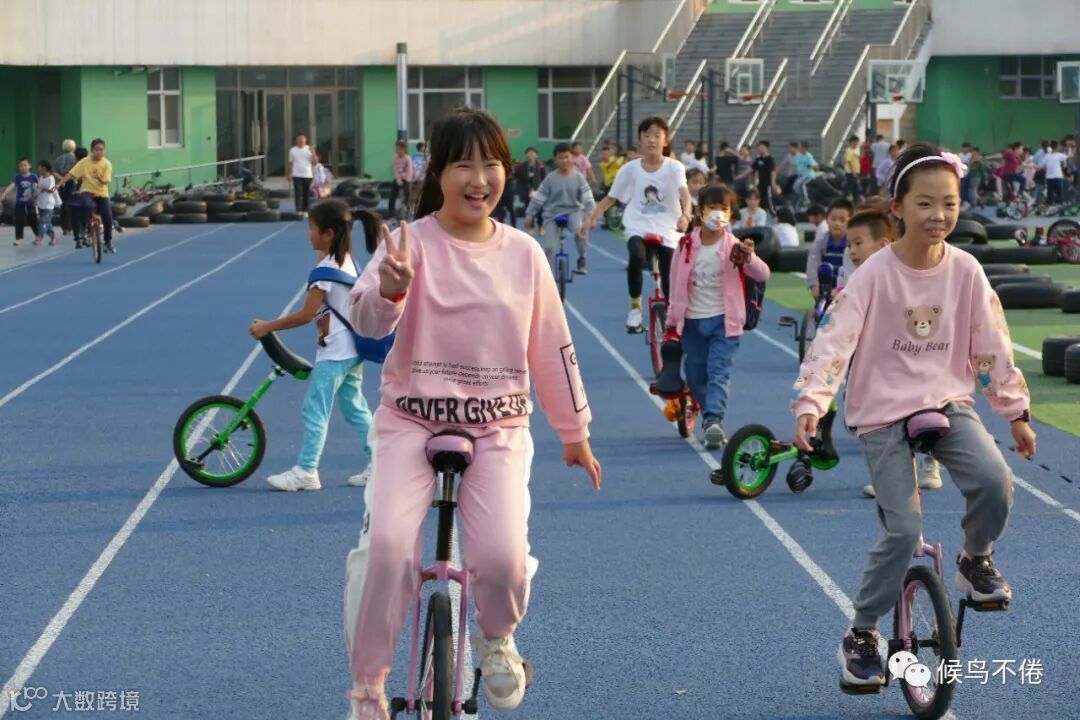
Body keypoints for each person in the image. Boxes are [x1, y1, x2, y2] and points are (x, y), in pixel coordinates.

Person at [343, 107, 601, 720]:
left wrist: (574, 432)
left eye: (492, 165)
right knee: (387, 550)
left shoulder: (525, 254)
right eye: (463, 165)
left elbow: (553, 347)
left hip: (497, 427)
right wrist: (391, 290)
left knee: (504, 558)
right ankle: (368, 687)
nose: (479, 179)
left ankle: (497, 638)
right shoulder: (408, 244)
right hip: (411, 422)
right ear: (437, 172)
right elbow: (364, 322)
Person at [792, 143, 1034, 689]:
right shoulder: (873, 274)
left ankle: (975, 559)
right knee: (902, 531)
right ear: (897, 208)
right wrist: (812, 402)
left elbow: (991, 344)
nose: (939, 215)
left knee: (995, 481)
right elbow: (834, 341)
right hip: (881, 412)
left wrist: (1015, 411)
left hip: (946, 401)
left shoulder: (966, 270)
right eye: (925, 204)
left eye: (949, 203)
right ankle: (862, 632)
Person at [249, 201, 378, 491]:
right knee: (355, 408)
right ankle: (379, 462)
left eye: (312, 227)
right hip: (352, 350)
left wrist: (268, 326)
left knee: (314, 410)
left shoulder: (325, 272)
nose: (308, 233)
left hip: (335, 353)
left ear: (329, 233)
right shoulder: (347, 260)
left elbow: (306, 315)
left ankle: (306, 470)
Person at [843, 204, 943, 496]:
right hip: (877, 364)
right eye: (849, 245)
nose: (852, 251)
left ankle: (931, 463)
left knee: (925, 415)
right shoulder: (858, 275)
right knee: (885, 422)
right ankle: (895, 478)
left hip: (914, 362)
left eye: (858, 243)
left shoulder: (906, 274)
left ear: (883, 244)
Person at [666, 183, 770, 449]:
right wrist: (672, 321)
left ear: (731, 213)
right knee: (695, 374)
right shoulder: (686, 246)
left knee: (718, 372)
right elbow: (675, 283)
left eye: (724, 209)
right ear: (700, 211)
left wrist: (749, 258)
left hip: (724, 323)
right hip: (692, 322)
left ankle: (714, 420)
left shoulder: (734, 246)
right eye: (712, 207)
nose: (718, 213)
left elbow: (762, 274)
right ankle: (708, 413)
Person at [582, 116, 692, 332]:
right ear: (640, 139)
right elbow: (611, 197)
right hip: (638, 225)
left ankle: (672, 313)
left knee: (669, 273)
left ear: (665, 141)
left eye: (657, 136)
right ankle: (635, 308)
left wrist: (686, 215)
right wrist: (591, 218)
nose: (652, 140)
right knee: (637, 256)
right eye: (647, 135)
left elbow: (684, 193)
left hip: (669, 227)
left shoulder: (674, 167)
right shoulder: (630, 169)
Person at [525, 142, 596, 273]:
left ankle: (582, 258)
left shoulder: (579, 178)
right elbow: (538, 198)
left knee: (580, 232)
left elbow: (588, 198)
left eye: (567, 157)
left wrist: (590, 217)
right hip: (552, 214)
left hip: (573, 211)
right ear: (556, 160)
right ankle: (546, 273)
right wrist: (529, 215)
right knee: (549, 247)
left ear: (572, 158)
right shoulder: (550, 178)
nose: (564, 161)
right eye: (560, 158)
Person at [55, 139, 114, 253]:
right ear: (92, 150)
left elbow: (106, 180)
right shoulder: (84, 162)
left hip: (102, 193)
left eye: (101, 150)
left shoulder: (107, 163)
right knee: (85, 204)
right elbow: (71, 174)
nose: (99, 152)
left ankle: (108, 242)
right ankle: (84, 230)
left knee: (108, 217)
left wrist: (100, 179)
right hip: (87, 190)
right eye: (96, 149)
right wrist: (59, 183)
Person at [805, 198, 853, 300]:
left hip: (847, 290)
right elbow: (813, 263)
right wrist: (814, 285)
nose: (837, 223)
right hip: (825, 288)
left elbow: (853, 270)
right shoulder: (821, 241)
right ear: (826, 220)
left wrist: (841, 289)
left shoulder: (852, 243)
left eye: (842, 220)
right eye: (833, 219)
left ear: (850, 222)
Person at [0, 158, 39, 246]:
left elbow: (38, 188)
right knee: (19, 221)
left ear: (29, 166)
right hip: (20, 203)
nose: (23, 167)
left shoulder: (34, 177)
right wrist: (4, 193)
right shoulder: (18, 177)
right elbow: (12, 185)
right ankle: (19, 238)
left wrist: (37, 199)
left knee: (32, 220)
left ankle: (38, 236)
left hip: (30, 203)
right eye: (21, 165)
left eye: (25, 165)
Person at [287, 132, 317, 218]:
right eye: (299, 139)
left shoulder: (309, 149)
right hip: (296, 175)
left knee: (306, 193)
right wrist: (289, 174)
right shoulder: (292, 150)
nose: (300, 141)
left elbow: (315, 163)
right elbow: (290, 163)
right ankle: (299, 210)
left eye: (302, 139)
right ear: (296, 141)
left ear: (305, 140)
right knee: (298, 193)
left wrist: (313, 152)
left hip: (308, 175)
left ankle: (306, 210)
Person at [52, 140, 78, 236]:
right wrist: (67, 179)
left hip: (61, 184)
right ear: (73, 147)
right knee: (72, 204)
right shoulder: (75, 158)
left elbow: (53, 171)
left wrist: (62, 180)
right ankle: (71, 226)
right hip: (72, 183)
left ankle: (64, 228)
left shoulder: (58, 158)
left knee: (63, 205)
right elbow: (75, 173)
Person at [514, 146, 547, 215]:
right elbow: (517, 174)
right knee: (527, 205)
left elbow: (544, 175)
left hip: (537, 188)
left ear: (536, 155)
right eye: (529, 153)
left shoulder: (540, 164)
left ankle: (539, 220)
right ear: (526, 155)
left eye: (532, 153)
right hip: (526, 188)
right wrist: (525, 177)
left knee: (538, 205)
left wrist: (542, 185)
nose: (531, 154)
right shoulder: (523, 164)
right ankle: (529, 219)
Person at [35, 160, 60, 246]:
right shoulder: (41, 177)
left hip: (48, 204)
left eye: (39, 167)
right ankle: (54, 238)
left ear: (44, 168)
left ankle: (39, 238)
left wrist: (43, 186)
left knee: (43, 221)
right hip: (41, 203)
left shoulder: (51, 178)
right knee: (47, 223)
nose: (38, 169)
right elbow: (38, 189)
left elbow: (52, 190)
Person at [388, 140, 414, 220]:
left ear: (404, 149)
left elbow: (409, 171)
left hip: (406, 179)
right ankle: (391, 213)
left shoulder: (407, 158)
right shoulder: (395, 158)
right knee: (392, 196)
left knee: (407, 194)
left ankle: (407, 212)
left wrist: (406, 181)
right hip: (398, 179)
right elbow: (395, 170)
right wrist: (398, 181)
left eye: (400, 149)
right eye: (397, 149)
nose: (398, 151)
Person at [751, 140, 779, 216]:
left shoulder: (770, 159)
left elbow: (772, 172)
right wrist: (755, 185)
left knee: (769, 202)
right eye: (758, 147)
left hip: (767, 185)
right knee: (760, 202)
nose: (759, 149)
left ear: (766, 148)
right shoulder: (758, 159)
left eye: (760, 147)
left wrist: (773, 184)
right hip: (760, 185)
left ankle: (776, 216)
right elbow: (754, 171)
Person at [1043, 139, 1070, 205]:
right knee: (1059, 193)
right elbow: (1070, 157)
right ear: (1056, 147)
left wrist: (1047, 173)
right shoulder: (1059, 155)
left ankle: (1050, 204)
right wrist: (1075, 149)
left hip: (1049, 178)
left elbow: (1044, 167)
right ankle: (1059, 204)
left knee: (1050, 194)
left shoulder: (1046, 156)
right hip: (1058, 177)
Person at [409, 141, 429, 211]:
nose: (427, 149)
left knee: (413, 195)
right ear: (421, 148)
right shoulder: (426, 157)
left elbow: (411, 167)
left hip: (413, 178)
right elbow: (425, 168)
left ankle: (412, 210)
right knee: (421, 195)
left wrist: (413, 177)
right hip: (421, 178)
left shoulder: (413, 156)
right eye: (425, 147)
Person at [844, 136, 861, 201]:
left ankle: (855, 200)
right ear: (852, 142)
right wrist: (853, 172)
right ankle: (847, 199)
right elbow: (849, 162)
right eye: (856, 143)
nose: (857, 144)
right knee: (851, 187)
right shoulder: (849, 151)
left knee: (854, 187)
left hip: (854, 172)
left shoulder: (853, 151)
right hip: (851, 173)